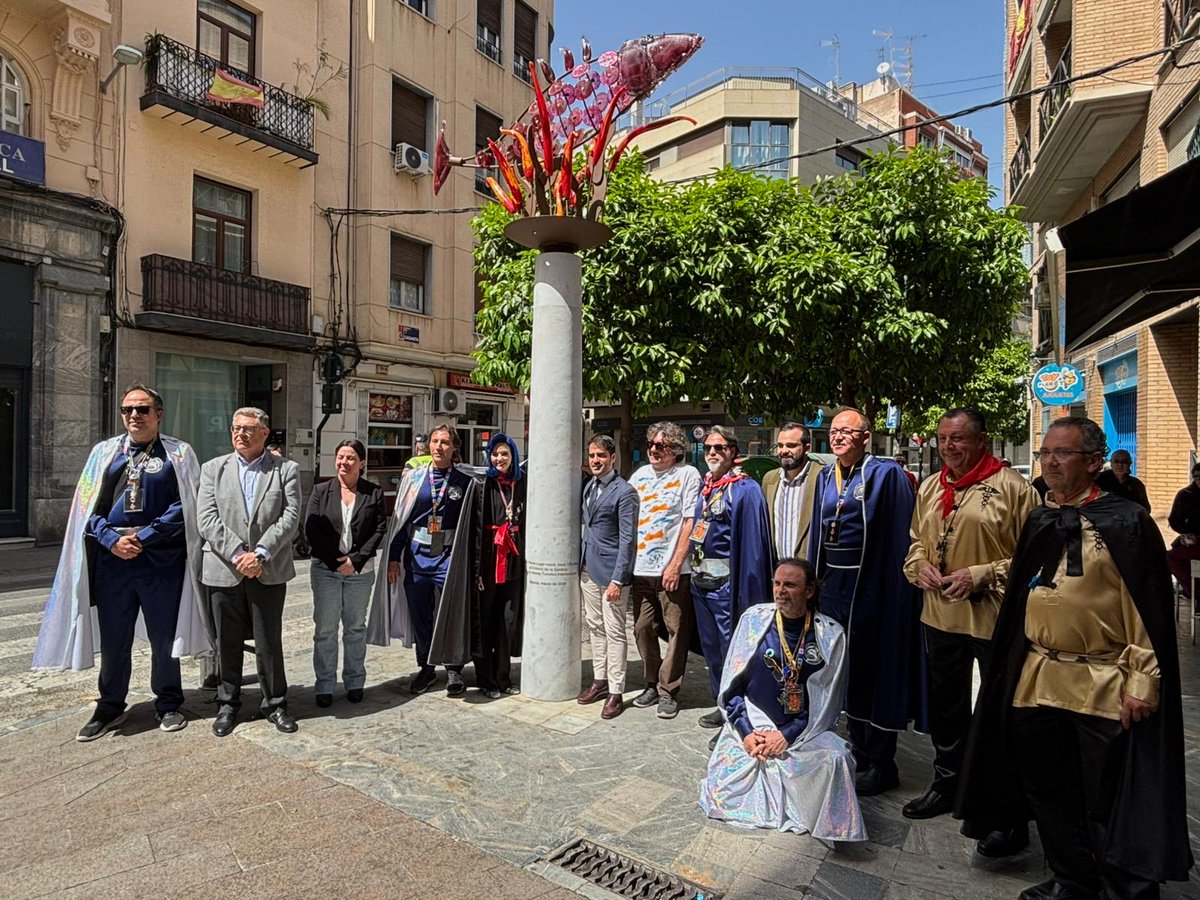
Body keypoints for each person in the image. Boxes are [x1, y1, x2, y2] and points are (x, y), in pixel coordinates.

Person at [957, 417, 1192, 900]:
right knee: (1048, 787)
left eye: (1062, 454)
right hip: (1037, 675)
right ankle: (1072, 878)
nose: (1049, 462)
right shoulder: (1041, 518)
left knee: (1105, 792)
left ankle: (1122, 887)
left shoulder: (1127, 522)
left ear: (1093, 461)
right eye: (1045, 453)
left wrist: (1143, 680)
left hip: (1104, 681)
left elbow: (1147, 607)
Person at [32, 385, 208, 741]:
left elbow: (187, 506)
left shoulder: (179, 454)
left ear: (159, 414)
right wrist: (112, 540)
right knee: (115, 640)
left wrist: (143, 537)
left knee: (163, 638)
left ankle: (169, 702)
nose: (134, 416)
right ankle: (110, 706)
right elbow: (87, 508)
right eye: (127, 410)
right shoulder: (103, 454)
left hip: (161, 561)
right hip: (114, 563)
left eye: (142, 409)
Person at [902, 409, 1037, 856]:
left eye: (958, 439)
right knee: (947, 709)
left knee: (1000, 717)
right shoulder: (929, 486)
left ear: (983, 440)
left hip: (994, 621)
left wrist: (980, 575)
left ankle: (1006, 814)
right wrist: (918, 564)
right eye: (942, 439)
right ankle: (948, 785)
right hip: (939, 618)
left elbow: (1031, 562)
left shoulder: (1014, 490)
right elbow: (917, 541)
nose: (948, 447)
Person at [699, 558, 866, 840]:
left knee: (836, 759)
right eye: (777, 583)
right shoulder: (754, 620)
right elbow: (732, 687)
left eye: (790, 585)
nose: (780, 591)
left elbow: (827, 702)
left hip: (803, 731)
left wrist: (787, 735)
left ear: (810, 590)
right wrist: (746, 732)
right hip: (755, 722)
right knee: (723, 786)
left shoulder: (830, 634)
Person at [809, 408, 927, 796]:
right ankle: (855, 747)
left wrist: (895, 594)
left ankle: (880, 761)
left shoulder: (886, 474)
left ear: (865, 436)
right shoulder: (826, 475)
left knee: (874, 671)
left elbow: (897, 538)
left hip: (874, 587)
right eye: (834, 431)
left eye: (848, 431)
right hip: (834, 588)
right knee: (842, 668)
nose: (839, 437)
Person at [197, 407, 301, 737]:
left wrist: (260, 553)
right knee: (226, 641)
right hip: (224, 568)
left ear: (265, 434)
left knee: (269, 640)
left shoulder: (285, 469)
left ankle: (275, 702)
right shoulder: (213, 469)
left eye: (249, 429)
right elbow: (207, 519)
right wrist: (239, 554)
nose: (241, 434)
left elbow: (290, 516)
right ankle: (228, 703)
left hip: (267, 568)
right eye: (236, 428)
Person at [371, 424, 480, 694]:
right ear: (428, 445)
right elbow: (400, 519)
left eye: (445, 442)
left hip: (450, 557)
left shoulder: (465, 482)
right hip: (417, 557)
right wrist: (394, 557)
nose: (439, 447)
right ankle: (426, 667)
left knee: (450, 613)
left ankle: (454, 669)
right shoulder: (415, 479)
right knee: (421, 616)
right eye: (435, 441)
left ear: (455, 447)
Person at [691, 426, 773, 745]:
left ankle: (737, 719)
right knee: (712, 652)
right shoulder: (708, 486)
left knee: (734, 654)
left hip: (729, 586)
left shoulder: (745, 489)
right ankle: (723, 703)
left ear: (733, 452)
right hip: (701, 582)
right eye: (708, 448)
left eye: (719, 448)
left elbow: (753, 549)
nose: (712, 453)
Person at [304, 440, 387, 707]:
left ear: (361, 463)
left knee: (354, 628)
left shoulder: (373, 493)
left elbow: (379, 530)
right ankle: (325, 685)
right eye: (340, 457)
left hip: (360, 573)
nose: (344, 462)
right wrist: (336, 561)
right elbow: (312, 529)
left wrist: (356, 560)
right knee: (325, 629)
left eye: (350, 458)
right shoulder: (321, 490)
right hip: (326, 570)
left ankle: (354, 682)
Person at [628, 422, 702, 719]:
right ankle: (650, 681)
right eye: (651, 445)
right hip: (640, 568)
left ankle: (668, 689)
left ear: (676, 450)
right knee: (642, 627)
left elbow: (689, 523)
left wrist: (675, 564)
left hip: (673, 570)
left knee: (676, 629)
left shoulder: (687, 475)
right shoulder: (639, 475)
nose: (654, 450)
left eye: (661, 446)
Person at [577, 435, 639, 719]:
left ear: (613, 457)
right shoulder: (589, 485)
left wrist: (618, 579)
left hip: (612, 575)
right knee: (595, 628)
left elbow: (628, 540)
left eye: (601, 455)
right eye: (592, 455)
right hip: (588, 569)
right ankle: (599, 680)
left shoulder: (625, 492)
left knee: (614, 632)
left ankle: (616, 691)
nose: (596, 460)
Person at [473, 432, 526, 698]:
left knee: (508, 622)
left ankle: (503, 677)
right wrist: (477, 570)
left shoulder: (521, 482)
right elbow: (474, 530)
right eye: (495, 454)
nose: (499, 459)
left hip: (513, 562)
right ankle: (486, 679)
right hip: (488, 563)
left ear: (513, 456)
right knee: (487, 621)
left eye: (504, 454)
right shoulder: (483, 484)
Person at [761, 423, 818, 561]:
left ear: (807, 448)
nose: (784, 451)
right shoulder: (769, 479)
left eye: (791, 445)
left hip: (809, 570)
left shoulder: (821, 477)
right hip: (777, 570)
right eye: (780, 445)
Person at [1167, 461, 1200, 601]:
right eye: (1197, 476)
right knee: (1169, 558)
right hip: (1191, 542)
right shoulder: (1185, 494)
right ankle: (1194, 592)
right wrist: (1187, 534)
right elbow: (1174, 520)